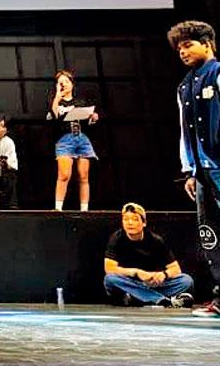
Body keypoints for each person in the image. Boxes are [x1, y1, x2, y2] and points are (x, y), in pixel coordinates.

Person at [168, 19, 220, 317]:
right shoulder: (184, 86)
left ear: (207, 44)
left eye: (188, 45)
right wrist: (189, 169)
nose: (183, 52)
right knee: (211, 234)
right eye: (179, 49)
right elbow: (183, 131)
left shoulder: (218, 74)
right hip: (201, 171)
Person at [103, 203, 193, 308]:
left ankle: (139, 299)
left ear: (144, 223)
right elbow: (109, 269)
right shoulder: (116, 239)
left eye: (135, 219)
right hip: (129, 283)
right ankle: (161, 300)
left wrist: (163, 275)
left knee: (186, 281)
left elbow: (176, 269)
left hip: (151, 284)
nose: (130, 223)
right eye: (126, 219)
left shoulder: (155, 240)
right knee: (110, 279)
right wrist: (136, 273)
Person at [48, 69, 100, 211]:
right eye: (60, 82)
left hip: (82, 138)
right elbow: (53, 115)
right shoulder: (56, 102)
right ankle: (58, 208)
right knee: (64, 174)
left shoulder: (80, 102)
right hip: (65, 139)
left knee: (83, 175)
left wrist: (92, 117)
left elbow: (88, 119)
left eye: (66, 81)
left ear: (72, 83)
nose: (63, 84)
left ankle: (85, 209)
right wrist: (57, 97)